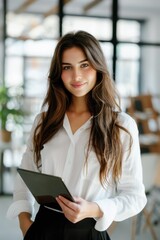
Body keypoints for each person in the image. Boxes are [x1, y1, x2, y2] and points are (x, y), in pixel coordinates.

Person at [7, 30, 147, 240]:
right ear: (58, 73)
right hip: (43, 230)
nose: (76, 76)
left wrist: (94, 208)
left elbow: (135, 197)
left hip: (89, 231)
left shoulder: (121, 126)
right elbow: (25, 175)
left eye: (84, 65)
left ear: (98, 68)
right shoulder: (43, 122)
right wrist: (25, 223)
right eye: (67, 67)